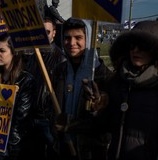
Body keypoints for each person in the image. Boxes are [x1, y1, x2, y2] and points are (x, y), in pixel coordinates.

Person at [52, 18, 112, 160]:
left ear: (89, 39)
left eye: (78, 38)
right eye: (67, 38)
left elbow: (106, 123)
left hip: (89, 151)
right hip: (61, 147)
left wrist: (71, 124)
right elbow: (52, 105)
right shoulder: (59, 71)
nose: (72, 43)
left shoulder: (103, 75)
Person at [103, 20, 158, 160]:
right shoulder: (116, 81)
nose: (135, 50)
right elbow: (105, 125)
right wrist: (97, 107)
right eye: (132, 45)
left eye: (143, 46)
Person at [0, 33, 36, 160]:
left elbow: (20, 121)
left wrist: (11, 152)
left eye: (2, 51)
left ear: (14, 52)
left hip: (11, 148)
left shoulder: (26, 80)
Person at [26, 17, 66, 159]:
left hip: (48, 120)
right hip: (31, 116)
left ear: (54, 33)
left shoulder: (60, 58)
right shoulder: (33, 56)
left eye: (47, 32)